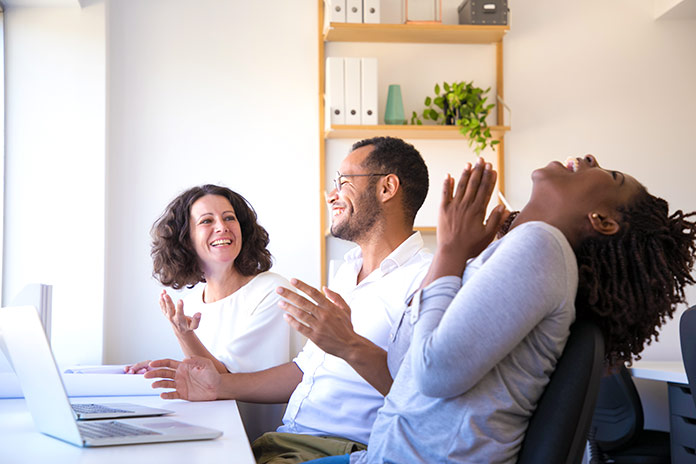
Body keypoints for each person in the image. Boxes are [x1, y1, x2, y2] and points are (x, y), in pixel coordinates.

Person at [299, 154, 696, 464]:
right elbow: (405, 367)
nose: (590, 158)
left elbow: (433, 373)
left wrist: (452, 250)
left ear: (603, 221)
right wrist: (458, 256)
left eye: (611, 176)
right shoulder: (510, 252)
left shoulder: (542, 246)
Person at [145, 136, 434, 463]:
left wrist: (348, 344)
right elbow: (302, 370)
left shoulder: (427, 281)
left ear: (387, 187)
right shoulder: (346, 273)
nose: (331, 195)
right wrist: (218, 387)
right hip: (286, 440)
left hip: (342, 449)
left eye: (343, 182)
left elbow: (423, 398)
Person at [124, 184, 305, 439]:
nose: (222, 227)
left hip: (262, 443)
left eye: (229, 218)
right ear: (186, 240)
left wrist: (184, 335)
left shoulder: (272, 291)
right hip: (216, 431)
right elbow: (204, 380)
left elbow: (224, 380)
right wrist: (158, 372)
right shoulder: (193, 302)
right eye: (207, 220)